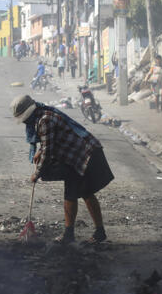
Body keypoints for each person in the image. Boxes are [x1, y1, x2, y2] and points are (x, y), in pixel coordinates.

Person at [11, 93, 113, 244]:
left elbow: (48, 151)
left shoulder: (44, 120)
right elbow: (49, 143)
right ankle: (76, 233)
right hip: (74, 157)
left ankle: (89, 233)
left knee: (85, 192)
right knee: (75, 192)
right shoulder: (42, 116)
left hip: (86, 155)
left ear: (29, 113)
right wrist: (39, 152)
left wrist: (37, 173)